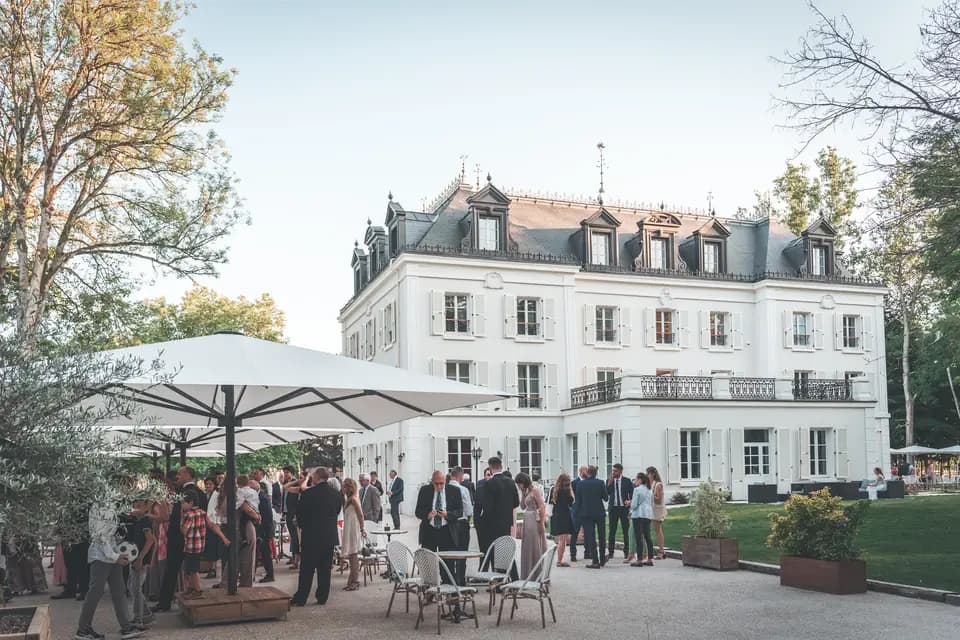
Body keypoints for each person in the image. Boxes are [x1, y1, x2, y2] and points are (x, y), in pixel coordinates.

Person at [75, 495, 144, 640]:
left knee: (119, 591)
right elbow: (100, 537)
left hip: (112, 554)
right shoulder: (101, 506)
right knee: (95, 592)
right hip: (101, 557)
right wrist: (115, 556)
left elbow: (109, 534)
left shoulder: (111, 505)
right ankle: (83, 629)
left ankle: (126, 627)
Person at [292, 468, 344, 606]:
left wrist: (303, 527)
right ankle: (322, 597)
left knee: (307, 569)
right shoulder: (337, 495)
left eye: (313, 476)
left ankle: (301, 597)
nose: (312, 478)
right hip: (329, 536)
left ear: (317, 477)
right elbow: (337, 512)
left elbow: (300, 514)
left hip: (311, 536)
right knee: (325, 569)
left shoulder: (308, 494)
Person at [152, 466, 198, 613]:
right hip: (185, 537)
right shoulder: (185, 492)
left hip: (180, 537)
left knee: (177, 569)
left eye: (180, 474)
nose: (177, 477)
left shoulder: (184, 493)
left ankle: (167, 601)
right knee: (186, 568)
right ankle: (170, 599)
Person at [415, 470, 463, 582]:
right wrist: (427, 515)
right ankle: (429, 591)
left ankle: (450, 591)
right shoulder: (425, 490)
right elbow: (417, 511)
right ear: (432, 482)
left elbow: (460, 511)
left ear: (446, 481)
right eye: (436, 484)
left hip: (447, 531)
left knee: (447, 565)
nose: (439, 486)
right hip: (429, 531)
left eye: (442, 483)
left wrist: (448, 514)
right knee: (428, 563)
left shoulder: (454, 491)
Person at [475, 457, 519, 567]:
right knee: (505, 551)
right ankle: (510, 575)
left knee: (490, 550)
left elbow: (487, 506)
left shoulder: (489, 484)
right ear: (501, 466)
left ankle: (491, 574)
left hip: (491, 524)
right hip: (506, 523)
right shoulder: (510, 482)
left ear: (490, 468)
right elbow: (516, 503)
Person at [127, 497, 156, 629]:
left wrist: (140, 558)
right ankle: (146, 613)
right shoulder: (138, 521)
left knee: (136, 588)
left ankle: (138, 618)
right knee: (132, 587)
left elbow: (150, 540)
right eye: (134, 506)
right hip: (135, 558)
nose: (135, 509)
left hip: (140, 559)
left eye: (138, 506)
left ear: (146, 507)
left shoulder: (145, 521)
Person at [574, 465, 607, 569]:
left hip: (586, 513)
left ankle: (595, 560)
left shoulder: (581, 484)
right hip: (599, 512)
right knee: (602, 535)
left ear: (587, 473)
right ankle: (602, 558)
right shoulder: (601, 483)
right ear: (596, 473)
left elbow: (578, 501)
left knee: (590, 536)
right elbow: (605, 498)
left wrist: (575, 513)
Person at [515, 472, 547, 577]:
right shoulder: (526, 492)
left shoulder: (535, 490)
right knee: (527, 546)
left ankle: (537, 573)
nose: (519, 486)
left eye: (519, 484)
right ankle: (527, 573)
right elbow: (523, 507)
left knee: (535, 545)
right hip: (527, 518)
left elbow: (542, 506)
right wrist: (523, 494)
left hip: (534, 518)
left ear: (524, 482)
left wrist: (541, 523)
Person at [448, 467, 474, 585]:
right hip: (461, 523)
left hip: (448, 523)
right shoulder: (463, 489)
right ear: (460, 476)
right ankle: (461, 581)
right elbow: (469, 510)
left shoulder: (445, 489)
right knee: (462, 554)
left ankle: (450, 580)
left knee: (449, 553)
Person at [340, 478, 365, 591]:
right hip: (349, 528)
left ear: (350, 488)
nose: (343, 488)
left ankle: (355, 581)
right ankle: (351, 580)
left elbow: (360, 515)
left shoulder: (354, 499)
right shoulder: (348, 499)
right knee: (351, 555)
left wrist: (362, 528)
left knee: (353, 555)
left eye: (345, 486)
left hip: (353, 529)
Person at [606, 463, 633, 562]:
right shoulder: (609, 481)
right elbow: (607, 494)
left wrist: (630, 503)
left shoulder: (627, 481)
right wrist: (609, 483)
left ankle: (626, 552)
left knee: (626, 531)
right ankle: (611, 552)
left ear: (621, 471)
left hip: (623, 508)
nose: (613, 473)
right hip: (613, 508)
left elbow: (632, 493)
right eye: (612, 471)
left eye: (615, 471)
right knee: (612, 531)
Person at [629, 473, 656, 567]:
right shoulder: (649, 490)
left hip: (638, 514)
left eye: (636, 479)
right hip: (648, 514)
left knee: (638, 537)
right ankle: (650, 558)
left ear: (640, 480)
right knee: (647, 536)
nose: (635, 481)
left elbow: (634, 504)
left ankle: (639, 559)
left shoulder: (637, 490)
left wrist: (630, 504)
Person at [549, 472, 575, 567]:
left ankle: (560, 559)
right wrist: (571, 489)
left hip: (556, 515)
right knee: (563, 540)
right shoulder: (566, 490)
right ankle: (559, 560)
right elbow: (572, 501)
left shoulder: (554, 490)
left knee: (561, 539)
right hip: (565, 515)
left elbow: (550, 504)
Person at [281, 466, 301, 569]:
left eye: (287, 472)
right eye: (284, 472)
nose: (285, 474)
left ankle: (296, 560)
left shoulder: (295, 483)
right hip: (288, 512)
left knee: (295, 537)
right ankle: (294, 557)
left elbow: (296, 501)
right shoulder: (286, 484)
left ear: (292, 473)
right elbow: (284, 500)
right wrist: (283, 512)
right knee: (293, 537)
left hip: (293, 513)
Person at [256, 482, 275, 583]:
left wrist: (264, 531)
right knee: (263, 552)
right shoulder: (263, 497)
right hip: (265, 529)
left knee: (265, 553)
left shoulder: (262, 498)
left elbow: (266, 517)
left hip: (264, 530)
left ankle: (270, 574)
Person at [568, 466, 588, 562]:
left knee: (588, 532)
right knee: (574, 533)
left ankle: (587, 553)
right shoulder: (574, 483)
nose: (587, 472)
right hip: (576, 511)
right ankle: (573, 554)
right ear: (580, 471)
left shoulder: (588, 482)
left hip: (587, 511)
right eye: (585, 471)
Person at [647, 466, 666, 559]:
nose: (647, 476)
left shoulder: (658, 485)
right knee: (652, 530)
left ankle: (661, 551)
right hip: (651, 509)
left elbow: (659, 500)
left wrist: (651, 495)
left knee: (658, 530)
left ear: (653, 474)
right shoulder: (649, 484)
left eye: (648, 474)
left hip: (657, 509)